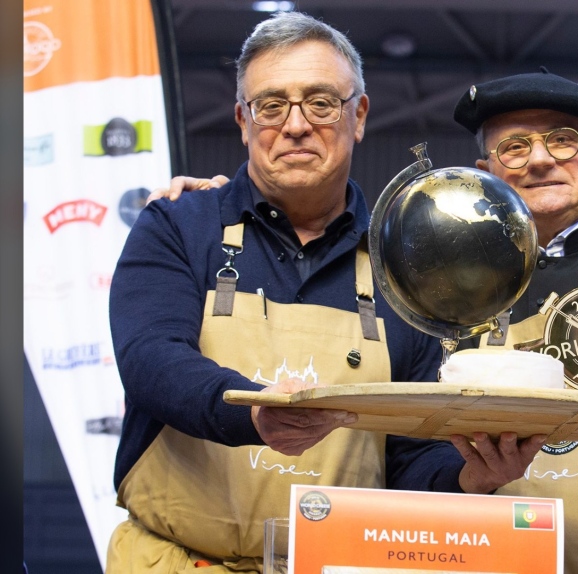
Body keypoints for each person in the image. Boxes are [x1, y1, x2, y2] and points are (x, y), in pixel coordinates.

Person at [154, 68, 578, 573]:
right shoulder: (440, 283)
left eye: (564, 140)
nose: (539, 159)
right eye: (514, 147)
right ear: (484, 173)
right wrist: (218, 204)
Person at [107, 13, 543, 571]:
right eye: (270, 105)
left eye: (319, 102)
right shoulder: (178, 225)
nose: (294, 125)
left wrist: (470, 475)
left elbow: (405, 459)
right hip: (176, 560)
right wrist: (255, 413)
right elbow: (150, 360)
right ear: (243, 120)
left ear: (357, 115)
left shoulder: (404, 266)